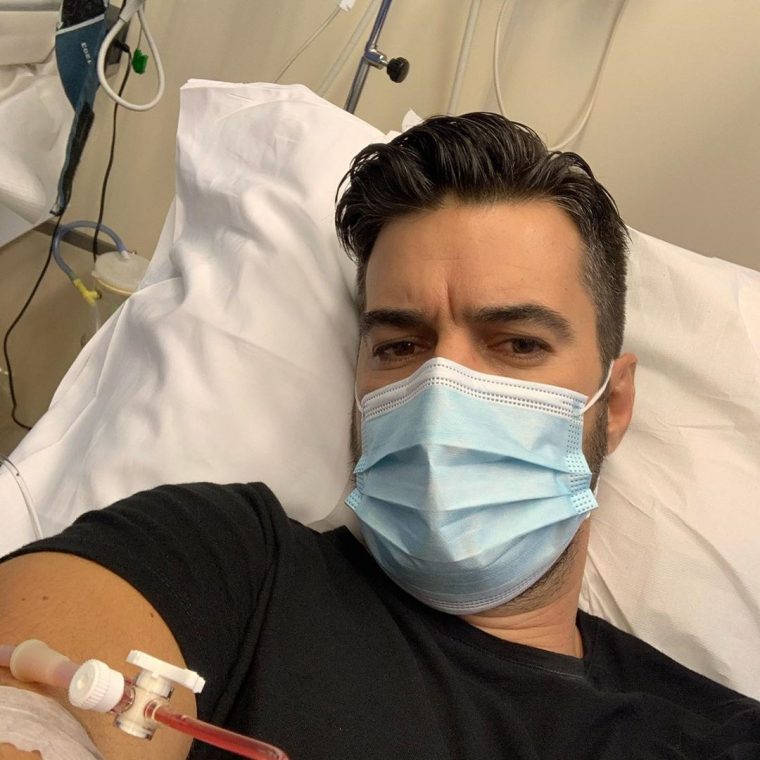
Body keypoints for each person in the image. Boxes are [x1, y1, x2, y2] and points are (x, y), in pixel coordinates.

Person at [0, 113, 758, 759]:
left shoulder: (710, 735)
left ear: (613, 405)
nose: (441, 390)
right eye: (400, 346)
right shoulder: (225, 560)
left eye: (518, 344)